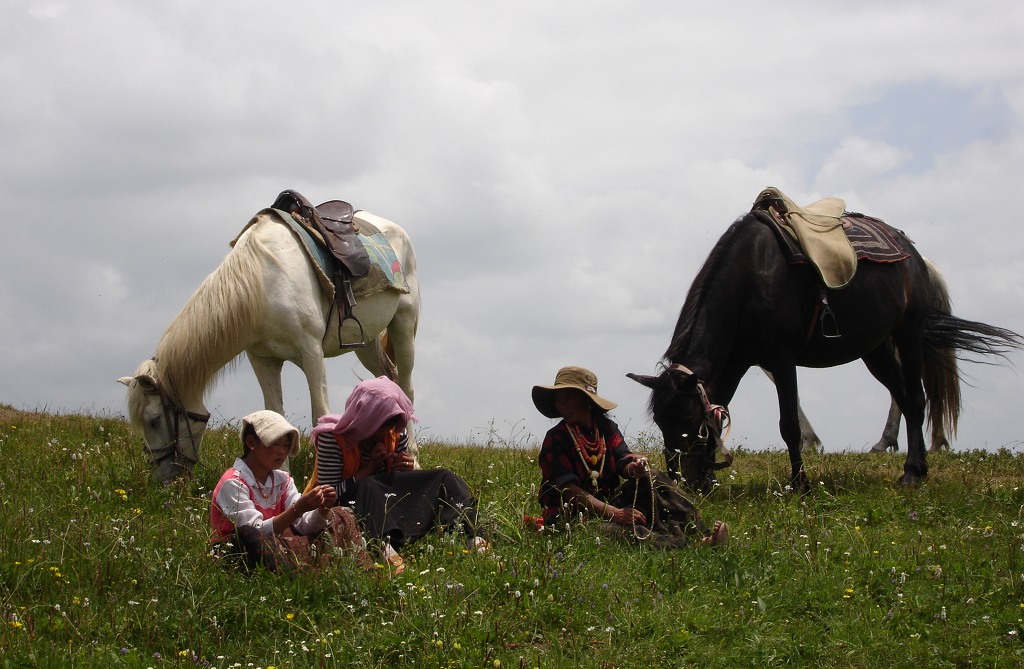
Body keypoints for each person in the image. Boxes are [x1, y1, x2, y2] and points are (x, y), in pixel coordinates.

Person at [308, 376, 488, 575]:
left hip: (385, 503)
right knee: (369, 485)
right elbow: (326, 494)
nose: (385, 433)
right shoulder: (332, 438)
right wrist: (366, 470)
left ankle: (473, 537)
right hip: (347, 506)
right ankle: (383, 548)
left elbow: (395, 485)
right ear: (367, 418)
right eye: (380, 426)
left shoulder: (394, 434)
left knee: (443, 478)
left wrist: (405, 471)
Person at [533, 366, 728, 547]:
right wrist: (615, 513)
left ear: (586, 400)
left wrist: (634, 468)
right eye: (559, 399)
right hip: (573, 516)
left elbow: (623, 459)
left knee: (652, 476)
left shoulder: (606, 429)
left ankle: (697, 531)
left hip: (610, 501)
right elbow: (569, 490)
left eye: (568, 398)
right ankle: (691, 545)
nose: (561, 405)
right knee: (622, 531)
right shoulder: (556, 438)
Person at [209, 410, 368, 573]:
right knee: (250, 535)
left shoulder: (283, 480)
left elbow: (302, 525)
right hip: (241, 552)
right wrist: (298, 509)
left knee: (342, 514)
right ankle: (303, 568)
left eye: (286, 445)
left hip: (279, 544)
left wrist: (323, 509)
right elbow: (255, 531)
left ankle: (364, 571)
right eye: (275, 444)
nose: (282, 452)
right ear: (251, 443)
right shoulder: (233, 483)